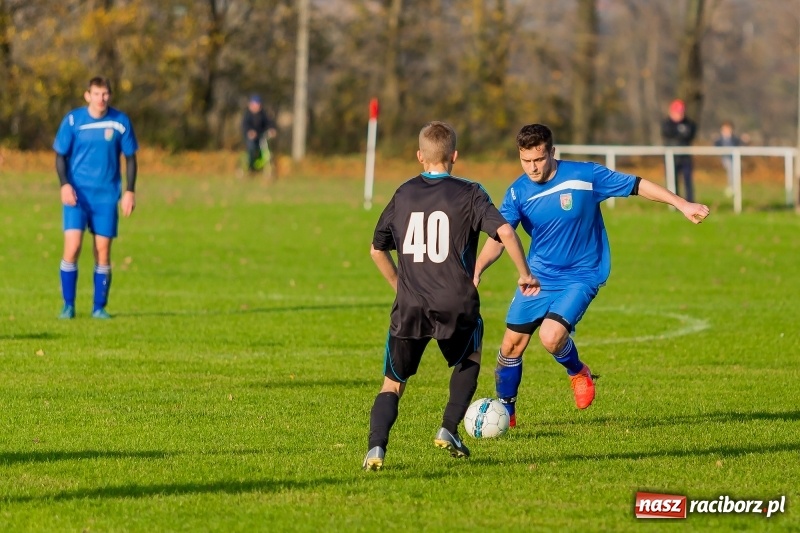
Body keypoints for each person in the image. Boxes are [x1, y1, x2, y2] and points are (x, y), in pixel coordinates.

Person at [473, 123, 710, 427]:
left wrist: (682, 204)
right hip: (539, 277)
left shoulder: (585, 176)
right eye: (525, 160)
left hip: (582, 275)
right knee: (510, 347)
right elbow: (501, 236)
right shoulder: (518, 192)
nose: (532, 167)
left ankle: (577, 371)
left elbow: (637, 184)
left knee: (551, 336)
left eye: (539, 159)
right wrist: (478, 270)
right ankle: (507, 412)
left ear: (552, 153)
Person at [364, 121, 539, 471]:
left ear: (419, 156)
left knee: (392, 382)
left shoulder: (403, 194)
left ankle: (376, 449)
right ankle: (448, 427)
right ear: (454, 156)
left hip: (410, 305)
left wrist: (401, 285)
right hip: (455, 302)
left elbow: (376, 249)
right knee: (469, 357)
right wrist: (524, 273)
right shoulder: (470, 192)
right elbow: (504, 229)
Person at [54, 76, 139, 319]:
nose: (101, 99)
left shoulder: (120, 122)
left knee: (102, 251)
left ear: (110, 95)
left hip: (106, 196)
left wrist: (130, 191)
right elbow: (60, 156)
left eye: (105, 94)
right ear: (87, 95)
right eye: (97, 94)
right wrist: (64, 185)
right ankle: (68, 305)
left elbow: (131, 158)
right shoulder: (73, 120)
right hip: (77, 196)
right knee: (72, 247)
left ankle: (98, 307)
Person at [661, 99, 697, 202]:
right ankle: (675, 202)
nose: (679, 115)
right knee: (673, 181)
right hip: (672, 157)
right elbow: (669, 135)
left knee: (688, 181)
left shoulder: (689, 123)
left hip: (685, 157)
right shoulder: (667, 124)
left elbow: (689, 135)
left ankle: (690, 202)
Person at [241, 94, 277, 174]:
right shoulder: (247, 115)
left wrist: (272, 129)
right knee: (252, 148)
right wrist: (250, 132)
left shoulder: (263, 114)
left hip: (261, 137)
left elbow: (269, 122)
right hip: (251, 138)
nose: (256, 106)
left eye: (258, 104)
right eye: (254, 104)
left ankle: (265, 168)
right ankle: (251, 167)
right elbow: (245, 126)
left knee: (266, 150)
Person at [714, 121, 748, 198]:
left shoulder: (735, 139)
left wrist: (745, 140)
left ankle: (736, 186)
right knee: (730, 168)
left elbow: (741, 145)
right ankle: (731, 186)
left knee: (739, 167)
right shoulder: (719, 140)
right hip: (725, 158)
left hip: (734, 159)